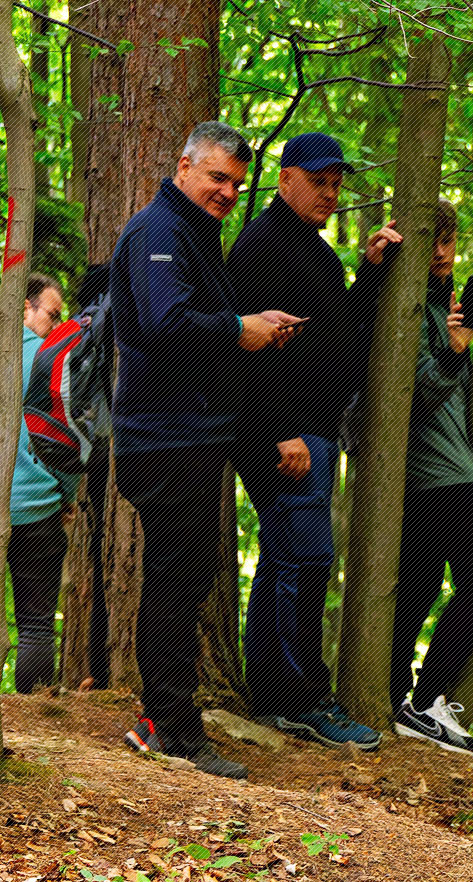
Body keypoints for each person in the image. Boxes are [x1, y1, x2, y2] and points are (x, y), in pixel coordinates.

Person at [111, 121, 302, 780]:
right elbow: (165, 324)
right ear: (184, 166)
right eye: (217, 177)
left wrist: (252, 328)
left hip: (190, 434)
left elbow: (197, 324)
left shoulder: (194, 231)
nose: (226, 191)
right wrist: (238, 328)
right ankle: (173, 731)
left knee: (186, 577)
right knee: (176, 578)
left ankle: (163, 719)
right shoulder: (159, 232)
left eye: (236, 184)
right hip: (164, 438)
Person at [228, 131, 401, 749]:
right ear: (285, 180)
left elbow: (338, 331)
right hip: (283, 434)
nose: (329, 193)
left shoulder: (317, 253)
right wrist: (281, 432)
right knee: (304, 560)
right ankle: (301, 700)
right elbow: (245, 348)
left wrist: (370, 272)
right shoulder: (262, 245)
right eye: (318, 181)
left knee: (288, 558)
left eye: (335, 184)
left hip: (314, 430)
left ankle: (272, 693)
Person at [389, 200, 473, 755]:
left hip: (452, 467)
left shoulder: (445, 306)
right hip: (431, 469)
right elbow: (413, 396)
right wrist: (457, 349)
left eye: (449, 240)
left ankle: (401, 699)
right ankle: (425, 700)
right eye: (431, 241)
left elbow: (455, 405)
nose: (441, 252)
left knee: (419, 586)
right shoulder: (407, 307)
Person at [7, 273, 70, 691]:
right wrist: (67, 495)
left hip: (27, 505)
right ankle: (36, 710)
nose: (57, 324)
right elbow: (66, 440)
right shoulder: (50, 361)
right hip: (37, 506)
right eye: (52, 314)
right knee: (35, 624)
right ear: (25, 308)